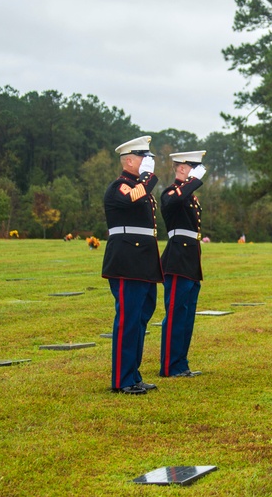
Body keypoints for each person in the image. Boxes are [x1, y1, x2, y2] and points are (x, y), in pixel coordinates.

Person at [102, 135, 161, 395]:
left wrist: (145, 179)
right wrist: (148, 178)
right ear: (128, 160)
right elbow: (130, 200)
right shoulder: (120, 187)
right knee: (128, 319)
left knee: (140, 318)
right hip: (127, 260)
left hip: (143, 259)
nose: (147, 163)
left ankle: (133, 374)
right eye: (142, 158)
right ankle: (122, 379)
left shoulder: (138, 187)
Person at [159, 150, 208, 378]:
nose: (196, 172)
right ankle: (170, 365)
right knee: (176, 313)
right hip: (177, 258)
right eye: (192, 167)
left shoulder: (189, 196)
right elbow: (174, 199)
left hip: (190, 260)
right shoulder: (171, 193)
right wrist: (194, 181)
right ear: (180, 168)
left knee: (187, 315)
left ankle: (181, 363)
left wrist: (192, 183)